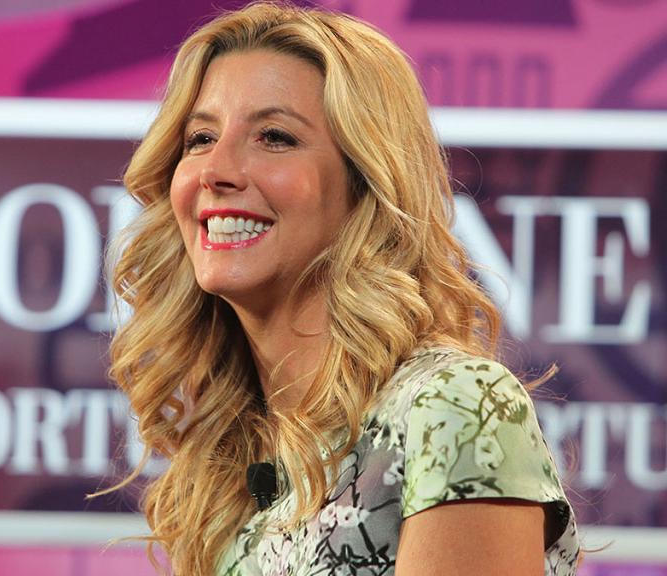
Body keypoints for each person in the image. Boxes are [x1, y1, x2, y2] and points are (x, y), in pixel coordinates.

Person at [109, 2, 580, 574]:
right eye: (200, 137)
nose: (216, 170)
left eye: (275, 137)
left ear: (366, 184)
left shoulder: (453, 407)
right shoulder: (228, 461)